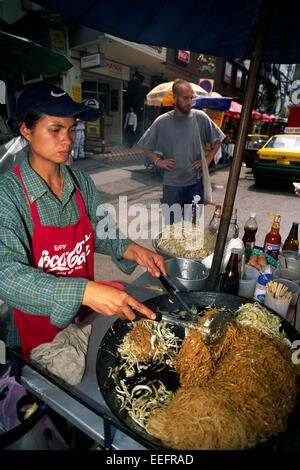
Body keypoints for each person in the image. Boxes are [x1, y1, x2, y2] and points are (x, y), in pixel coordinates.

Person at [1, 81, 166, 360]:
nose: (68, 140)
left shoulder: (81, 182)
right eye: (55, 130)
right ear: (26, 130)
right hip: (38, 333)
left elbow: (101, 232)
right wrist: (85, 291)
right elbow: (6, 275)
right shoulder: (8, 194)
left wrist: (134, 250)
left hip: (83, 317)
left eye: (71, 129)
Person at [137, 79, 225, 223]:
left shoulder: (200, 117)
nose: (189, 102)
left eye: (191, 98)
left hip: (195, 184)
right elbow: (145, 145)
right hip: (171, 186)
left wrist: (208, 159)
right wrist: (158, 161)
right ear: (175, 98)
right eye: (185, 98)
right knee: (172, 228)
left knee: (192, 227)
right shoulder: (162, 121)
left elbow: (219, 138)